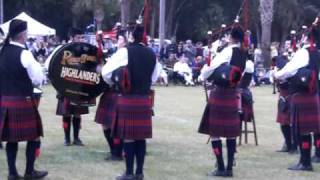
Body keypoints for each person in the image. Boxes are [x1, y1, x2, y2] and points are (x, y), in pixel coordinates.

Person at [102, 24, 159, 180]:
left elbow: (105, 72)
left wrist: (115, 81)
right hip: (144, 99)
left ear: (131, 36)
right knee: (141, 137)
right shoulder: (151, 53)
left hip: (128, 99)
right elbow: (154, 77)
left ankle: (128, 173)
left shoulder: (124, 52)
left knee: (129, 137)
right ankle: (139, 173)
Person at [0, 19, 48, 179]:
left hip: (6, 101)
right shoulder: (25, 53)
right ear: (23, 34)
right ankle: (29, 171)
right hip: (22, 100)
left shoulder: (2, 51)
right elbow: (38, 78)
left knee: (11, 140)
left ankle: (12, 173)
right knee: (34, 136)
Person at [198, 27, 246, 177]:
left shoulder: (227, 51)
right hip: (233, 94)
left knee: (215, 133)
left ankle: (220, 167)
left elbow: (210, 68)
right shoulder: (244, 54)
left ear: (231, 37)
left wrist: (202, 75)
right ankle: (229, 168)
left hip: (220, 93)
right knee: (231, 134)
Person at [274, 27, 320, 171]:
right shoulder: (317, 53)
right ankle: (307, 160)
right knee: (312, 129)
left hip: (301, 95)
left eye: (303, 36)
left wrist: (277, 74)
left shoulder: (303, 52)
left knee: (302, 130)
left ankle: (305, 163)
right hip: (313, 95)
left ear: (307, 38)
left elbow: (289, 69)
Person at [46, 27, 89, 146]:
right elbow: (50, 64)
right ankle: (67, 139)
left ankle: (76, 138)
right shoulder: (62, 50)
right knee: (67, 113)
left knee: (77, 113)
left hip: (79, 87)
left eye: (82, 37)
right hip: (65, 86)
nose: (81, 39)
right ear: (71, 38)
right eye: (78, 37)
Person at [95, 32, 127, 161]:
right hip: (118, 92)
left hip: (114, 90)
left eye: (119, 39)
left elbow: (106, 73)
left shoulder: (122, 54)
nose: (117, 41)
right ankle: (115, 151)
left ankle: (116, 152)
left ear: (125, 41)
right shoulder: (118, 53)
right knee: (109, 124)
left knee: (110, 125)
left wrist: (102, 72)